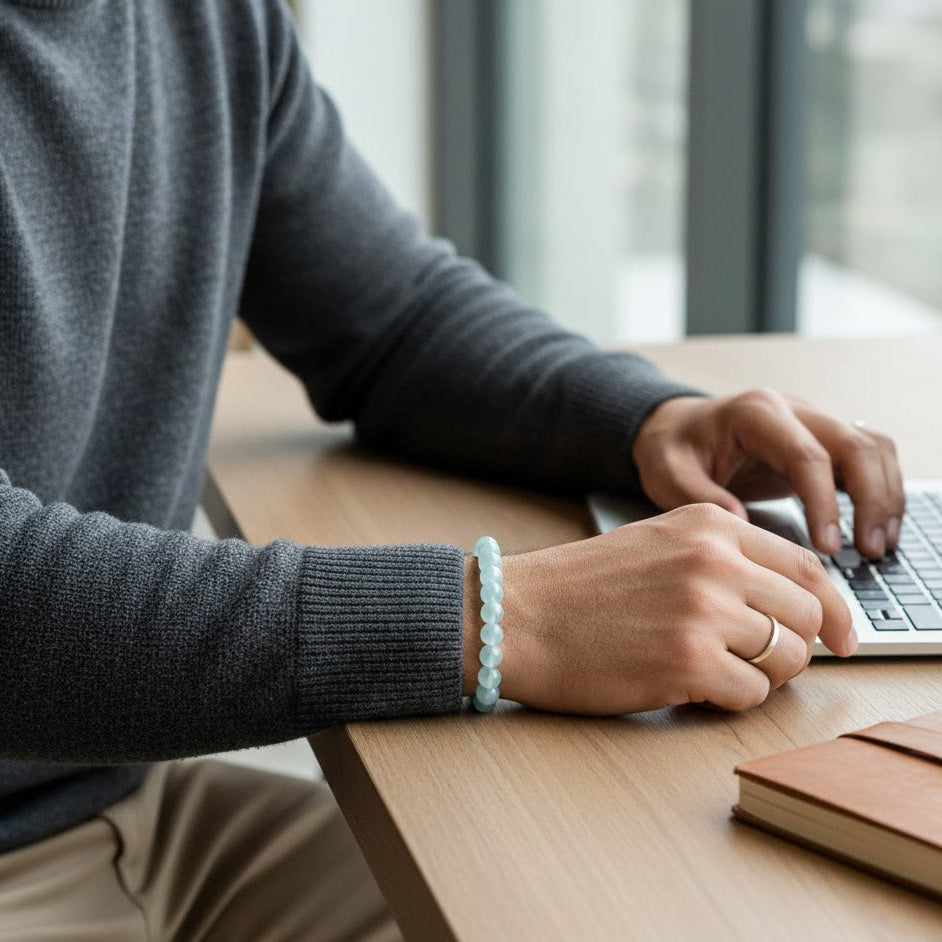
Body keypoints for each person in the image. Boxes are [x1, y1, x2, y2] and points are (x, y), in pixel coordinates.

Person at [0, 1, 903, 939]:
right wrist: (502, 618)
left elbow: (392, 315)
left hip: (126, 806)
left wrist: (646, 420)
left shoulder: (207, 20)